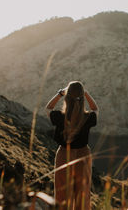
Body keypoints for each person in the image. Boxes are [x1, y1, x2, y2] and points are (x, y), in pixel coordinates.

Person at [45, 81, 98, 210]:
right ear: (82, 100)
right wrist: (85, 94)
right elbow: (95, 109)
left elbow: (48, 108)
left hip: (64, 154)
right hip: (83, 155)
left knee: (62, 191)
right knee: (83, 192)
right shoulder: (88, 118)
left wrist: (60, 94)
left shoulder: (59, 117)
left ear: (67, 99)